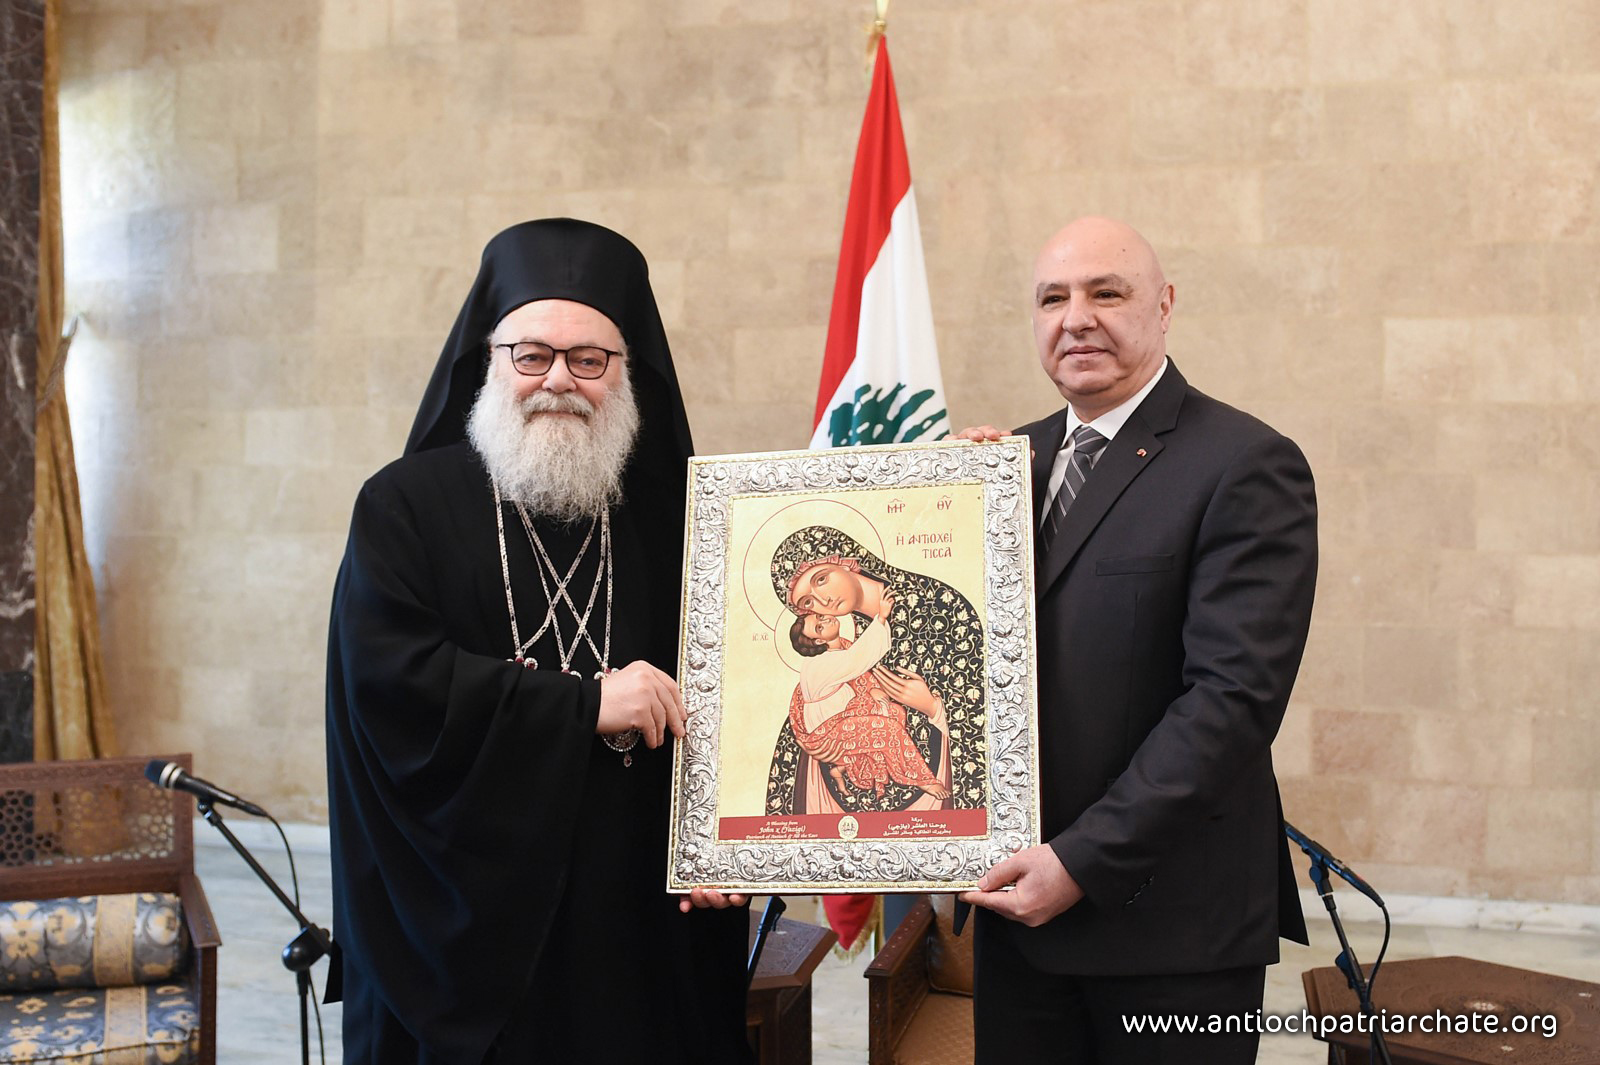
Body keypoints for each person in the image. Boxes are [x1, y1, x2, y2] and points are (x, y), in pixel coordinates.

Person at [325, 219, 751, 1065]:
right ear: (490, 362)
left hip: (635, 918)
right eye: (531, 354)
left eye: (589, 359)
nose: (559, 379)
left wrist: (728, 839)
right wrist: (587, 703)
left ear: (628, 376)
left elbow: (749, 687)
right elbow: (392, 689)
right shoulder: (402, 506)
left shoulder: (675, 521)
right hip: (469, 923)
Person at [957, 216, 1317, 1064]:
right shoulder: (1009, 462)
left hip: (1167, 931)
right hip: (1017, 919)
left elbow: (1229, 703)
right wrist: (946, 511)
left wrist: (1079, 861)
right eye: (1053, 298)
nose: (1076, 317)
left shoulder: (1245, 462)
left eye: (1106, 292)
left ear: (1163, 307)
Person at [764, 528, 984, 818]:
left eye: (821, 579)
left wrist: (933, 708)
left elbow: (975, 698)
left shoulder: (937, 606)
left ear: (846, 562)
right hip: (845, 812)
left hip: (934, 809)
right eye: (808, 603)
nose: (824, 601)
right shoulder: (845, 643)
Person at [786, 602, 951, 803]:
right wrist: (880, 618)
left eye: (820, 617)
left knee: (896, 712)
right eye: (819, 626)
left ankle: (842, 767)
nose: (826, 619)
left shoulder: (842, 646)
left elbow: (856, 672)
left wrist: (872, 689)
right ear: (819, 640)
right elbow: (857, 660)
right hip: (825, 732)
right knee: (888, 728)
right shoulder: (821, 663)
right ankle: (922, 779)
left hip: (843, 714)